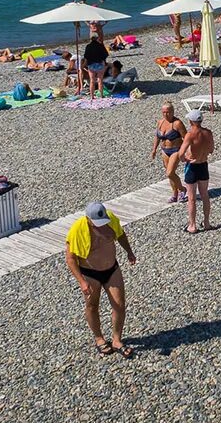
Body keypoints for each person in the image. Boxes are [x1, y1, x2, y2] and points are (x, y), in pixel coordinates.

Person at [64, 202, 137, 358]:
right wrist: (81, 282)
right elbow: (70, 259)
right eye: (97, 223)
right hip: (90, 273)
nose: (101, 225)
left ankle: (117, 340)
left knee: (119, 304)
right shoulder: (78, 229)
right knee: (92, 306)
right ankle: (99, 339)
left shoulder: (110, 219)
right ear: (88, 219)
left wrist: (129, 251)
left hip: (111, 268)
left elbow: (121, 234)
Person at [178, 110, 215, 233]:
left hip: (192, 167)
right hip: (203, 165)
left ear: (191, 121)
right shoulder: (208, 133)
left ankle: (192, 225)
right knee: (205, 195)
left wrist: (185, 159)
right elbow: (211, 149)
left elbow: (180, 153)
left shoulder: (190, 134)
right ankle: (207, 222)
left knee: (192, 198)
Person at [151, 102, 188, 203]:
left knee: (170, 173)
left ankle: (182, 189)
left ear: (172, 112)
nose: (165, 114)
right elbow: (157, 137)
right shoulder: (160, 122)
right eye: (163, 112)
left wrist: (185, 151)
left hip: (176, 150)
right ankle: (174, 194)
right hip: (164, 150)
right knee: (170, 175)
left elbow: (186, 138)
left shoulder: (177, 123)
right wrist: (154, 149)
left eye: (168, 112)